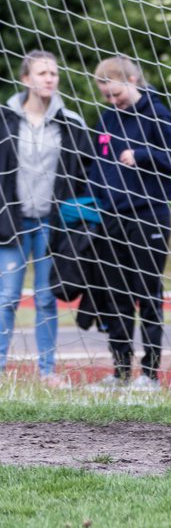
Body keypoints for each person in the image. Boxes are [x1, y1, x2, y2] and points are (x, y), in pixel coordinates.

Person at [87, 56, 171, 391]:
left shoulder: (157, 114)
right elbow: (97, 165)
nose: (112, 100)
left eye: (115, 93)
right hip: (111, 218)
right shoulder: (107, 119)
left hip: (148, 216)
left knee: (147, 293)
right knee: (115, 294)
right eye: (105, 95)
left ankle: (150, 375)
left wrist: (142, 154)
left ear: (132, 80)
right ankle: (119, 372)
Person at [0, 51, 94, 387]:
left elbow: (86, 173)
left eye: (53, 73)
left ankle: (47, 372)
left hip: (51, 226)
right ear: (26, 79)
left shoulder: (72, 123)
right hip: (10, 224)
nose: (49, 78)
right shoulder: (4, 119)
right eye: (41, 73)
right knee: (7, 298)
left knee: (45, 297)